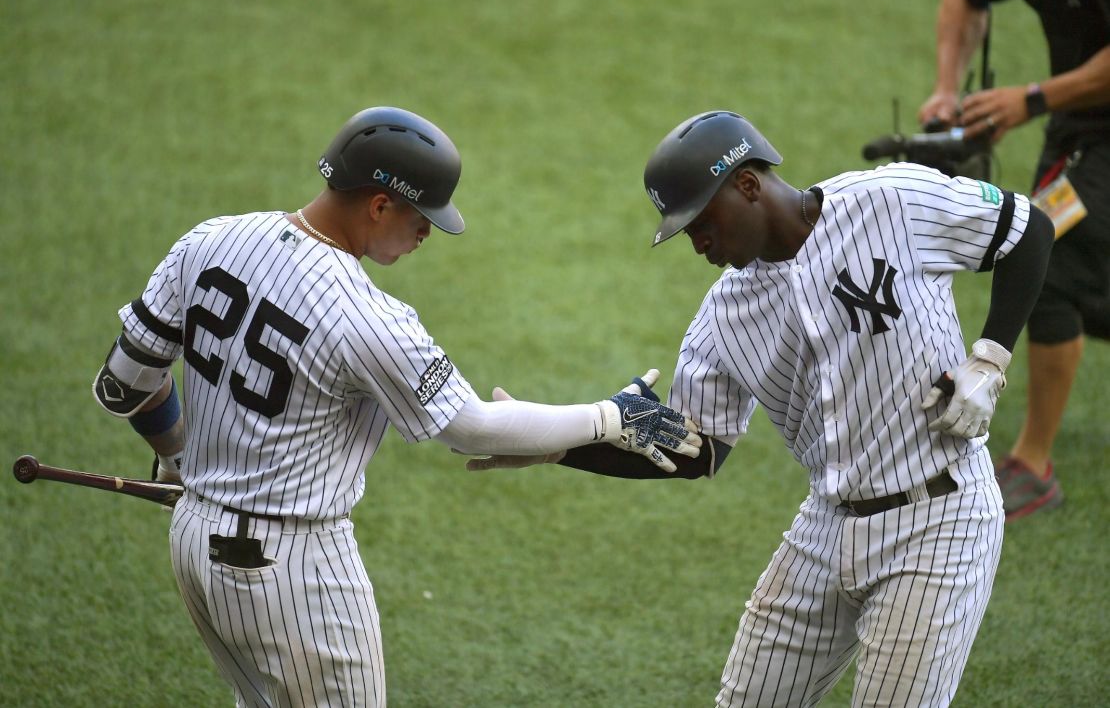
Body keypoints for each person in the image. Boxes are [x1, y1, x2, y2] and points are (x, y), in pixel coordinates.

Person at [90, 105, 701, 707]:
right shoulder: (367, 317)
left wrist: (175, 457)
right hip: (293, 570)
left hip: (194, 544)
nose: (427, 233)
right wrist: (612, 416)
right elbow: (472, 429)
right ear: (379, 204)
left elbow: (127, 381)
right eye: (422, 216)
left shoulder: (209, 239)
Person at [471, 111, 1055, 705]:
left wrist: (991, 358)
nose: (698, 244)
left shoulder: (889, 201)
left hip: (940, 519)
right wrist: (559, 442)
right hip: (826, 526)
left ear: (747, 184)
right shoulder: (722, 319)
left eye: (700, 222)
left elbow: (1029, 228)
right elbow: (694, 450)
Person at [918, 0, 1110, 521]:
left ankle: (1034, 466)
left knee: (1054, 269)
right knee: (1067, 259)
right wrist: (946, 90)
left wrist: (1030, 98)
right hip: (1077, 130)